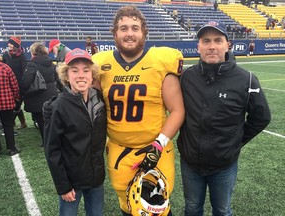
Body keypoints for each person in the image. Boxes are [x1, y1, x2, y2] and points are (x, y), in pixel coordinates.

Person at [91, 5, 184, 216]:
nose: (129, 33)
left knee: (156, 207)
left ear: (144, 32)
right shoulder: (100, 65)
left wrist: (158, 145)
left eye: (135, 27)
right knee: (128, 205)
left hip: (156, 149)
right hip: (119, 150)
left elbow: (177, 110)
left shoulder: (161, 61)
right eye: (123, 28)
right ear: (114, 33)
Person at [177, 20, 271, 216]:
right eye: (206, 41)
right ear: (198, 46)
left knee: (222, 210)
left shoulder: (247, 79)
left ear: (228, 45)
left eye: (218, 40)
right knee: (192, 208)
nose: (212, 46)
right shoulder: (186, 77)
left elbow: (261, 117)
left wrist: (235, 142)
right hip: (190, 161)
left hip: (224, 164)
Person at [43, 48, 107, 216]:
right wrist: (63, 185)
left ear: (92, 74)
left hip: (96, 178)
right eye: (74, 70)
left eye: (86, 70)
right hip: (72, 181)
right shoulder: (59, 106)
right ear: (66, 75)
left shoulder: (99, 99)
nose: (81, 75)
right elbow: (52, 150)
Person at [20, 42, 59, 147]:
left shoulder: (32, 64)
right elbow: (57, 79)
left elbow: (26, 82)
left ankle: (46, 142)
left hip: (38, 96)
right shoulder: (51, 63)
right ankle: (55, 140)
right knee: (52, 119)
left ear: (33, 52)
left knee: (42, 121)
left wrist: (21, 91)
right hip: (52, 94)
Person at [0, 53, 21, 156]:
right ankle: (12, 149)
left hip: (3, 103)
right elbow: (14, 85)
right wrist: (17, 97)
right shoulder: (5, 67)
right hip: (6, 102)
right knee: (8, 126)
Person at [2, 36, 28, 130]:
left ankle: (10, 124)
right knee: (13, 105)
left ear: (16, 46)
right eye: (9, 43)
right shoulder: (5, 55)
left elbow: (25, 71)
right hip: (8, 84)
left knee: (17, 104)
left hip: (19, 84)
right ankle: (22, 123)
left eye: (11, 43)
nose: (9, 45)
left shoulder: (22, 57)